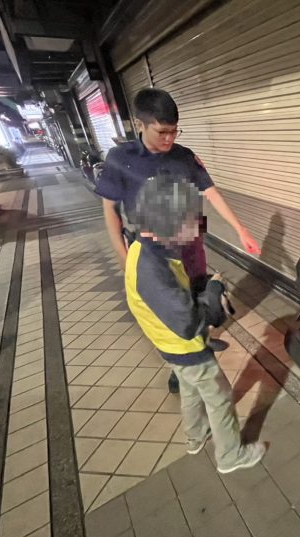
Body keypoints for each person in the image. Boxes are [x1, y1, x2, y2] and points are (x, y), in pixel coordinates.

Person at [95, 88, 260, 393]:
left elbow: (210, 192)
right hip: (153, 253)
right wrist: (124, 258)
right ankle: (178, 366)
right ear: (140, 124)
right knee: (168, 310)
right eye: (162, 132)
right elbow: (110, 211)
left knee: (197, 298)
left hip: (190, 245)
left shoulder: (184, 156)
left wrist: (240, 229)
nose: (169, 139)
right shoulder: (120, 159)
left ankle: (200, 345)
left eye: (174, 131)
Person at [124, 176, 266, 472]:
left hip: (167, 344)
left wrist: (200, 287)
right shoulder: (152, 270)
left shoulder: (144, 249)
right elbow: (188, 322)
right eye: (188, 222)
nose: (195, 229)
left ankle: (196, 436)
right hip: (185, 346)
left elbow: (174, 299)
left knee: (190, 390)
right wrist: (213, 296)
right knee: (219, 397)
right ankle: (230, 456)